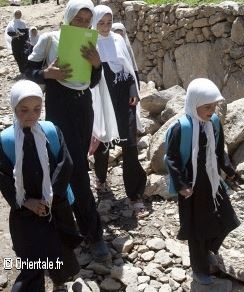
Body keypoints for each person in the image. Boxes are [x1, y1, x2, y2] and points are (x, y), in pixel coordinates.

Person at [24, 0, 109, 261]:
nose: (83, 24)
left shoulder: (89, 42)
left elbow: (91, 82)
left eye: (87, 20)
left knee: (75, 166)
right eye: (78, 20)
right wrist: (47, 74)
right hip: (60, 109)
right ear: (68, 18)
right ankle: (93, 234)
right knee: (75, 170)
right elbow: (26, 72)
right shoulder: (50, 39)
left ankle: (66, 226)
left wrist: (97, 65)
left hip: (84, 110)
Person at [0, 80, 81, 292]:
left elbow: (65, 164)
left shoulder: (51, 131)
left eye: (37, 109)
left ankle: (59, 281)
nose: (31, 115)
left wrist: (49, 197)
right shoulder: (6, 141)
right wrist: (26, 202)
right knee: (31, 256)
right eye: (24, 110)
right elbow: (4, 177)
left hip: (54, 206)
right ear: (14, 108)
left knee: (59, 248)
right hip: (25, 211)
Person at [165, 78, 240, 285]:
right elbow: (172, 159)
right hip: (191, 185)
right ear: (194, 103)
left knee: (227, 219)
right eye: (207, 106)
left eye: (214, 106)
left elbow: (218, 150)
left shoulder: (213, 122)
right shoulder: (182, 128)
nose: (212, 110)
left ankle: (209, 249)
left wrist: (229, 171)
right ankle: (199, 268)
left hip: (212, 180)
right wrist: (181, 185)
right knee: (197, 229)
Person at [90, 5, 148, 217]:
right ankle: (102, 180)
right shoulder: (89, 44)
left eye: (108, 22)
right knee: (103, 146)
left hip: (125, 101)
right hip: (102, 102)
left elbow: (128, 69)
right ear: (94, 23)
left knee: (130, 146)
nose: (105, 27)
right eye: (101, 23)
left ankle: (135, 195)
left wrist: (133, 90)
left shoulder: (118, 40)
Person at [111, 22, 140, 86]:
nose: (119, 37)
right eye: (116, 34)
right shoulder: (109, 48)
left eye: (121, 34)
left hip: (129, 77)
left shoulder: (127, 47)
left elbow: (132, 65)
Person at [5, 9, 29, 74]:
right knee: (17, 56)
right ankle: (22, 71)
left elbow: (27, 33)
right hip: (15, 43)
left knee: (24, 56)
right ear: (14, 14)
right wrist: (16, 34)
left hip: (23, 43)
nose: (18, 15)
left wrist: (27, 40)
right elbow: (9, 32)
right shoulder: (11, 23)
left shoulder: (23, 23)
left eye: (19, 14)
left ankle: (26, 71)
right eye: (17, 14)